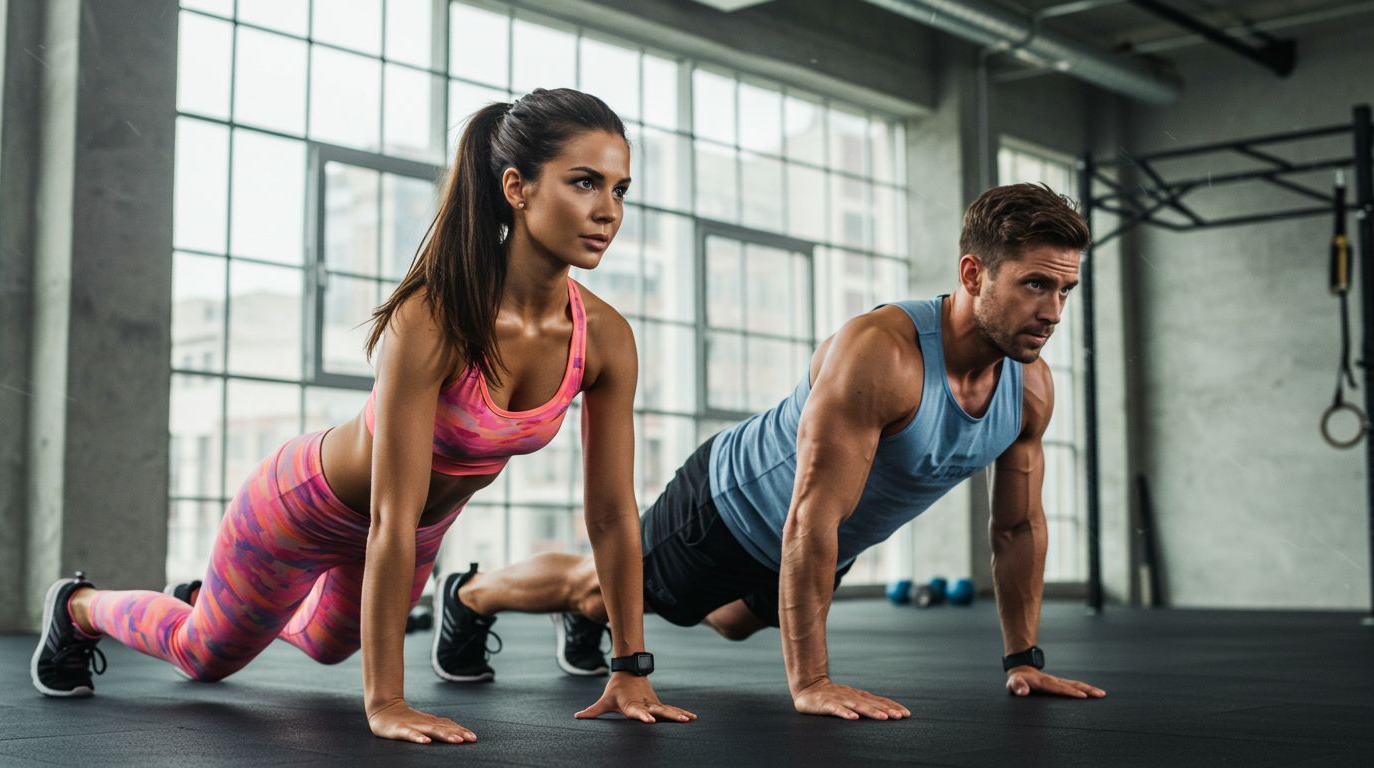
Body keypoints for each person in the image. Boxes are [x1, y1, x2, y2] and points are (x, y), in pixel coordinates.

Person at [29, 88, 695, 744]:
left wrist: (631, 668)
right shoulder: (434, 316)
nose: (608, 211)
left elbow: (610, 514)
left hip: (416, 530)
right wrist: (387, 703)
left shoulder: (605, 337)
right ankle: (81, 606)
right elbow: (389, 514)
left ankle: (223, 597)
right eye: (584, 182)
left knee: (327, 646)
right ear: (517, 188)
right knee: (204, 656)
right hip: (306, 505)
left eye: (620, 189)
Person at [435, 183, 1107, 719]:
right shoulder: (884, 354)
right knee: (607, 590)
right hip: (730, 503)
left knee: (731, 624)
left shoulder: (1031, 388)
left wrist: (1024, 657)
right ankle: (470, 595)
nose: (1053, 311)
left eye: (1065, 290)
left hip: (816, 539)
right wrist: (811, 681)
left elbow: (1017, 526)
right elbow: (810, 516)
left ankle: (587, 611)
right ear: (973, 272)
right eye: (1035, 285)